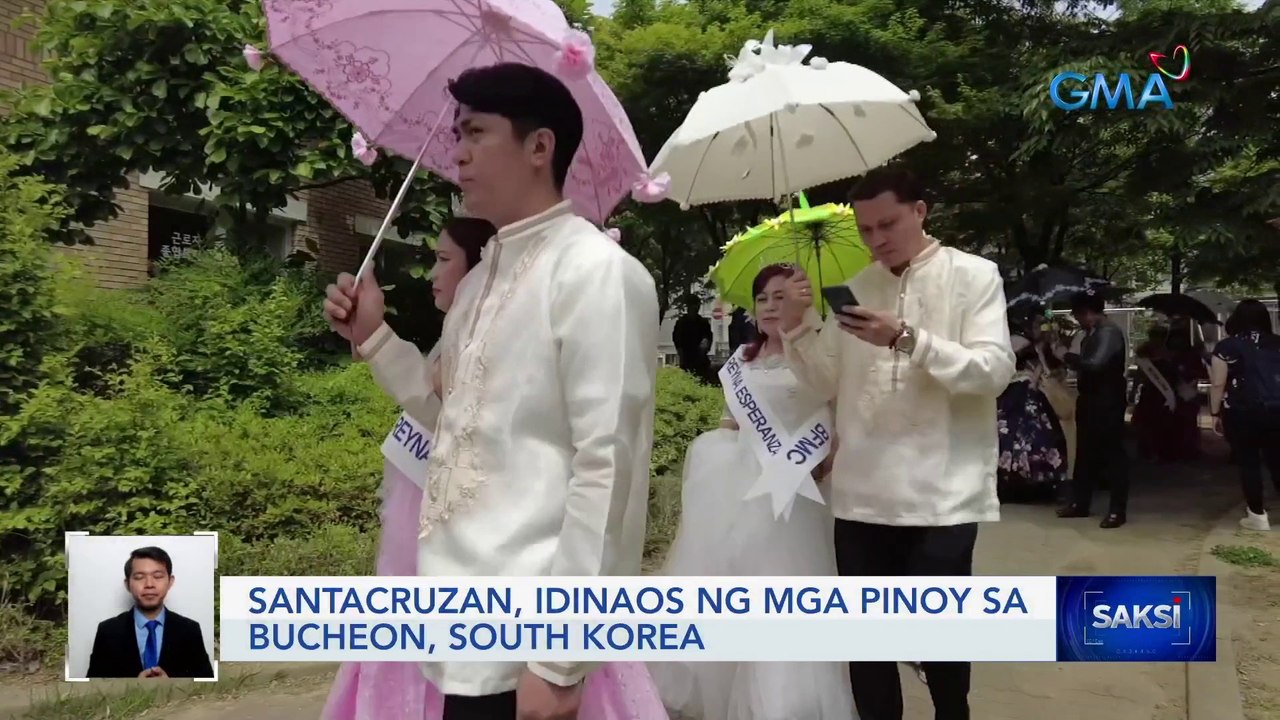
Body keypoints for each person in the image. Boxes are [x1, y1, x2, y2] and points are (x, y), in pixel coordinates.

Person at [324, 62, 660, 720]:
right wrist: (374, 335)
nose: (459, 152)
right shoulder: (480, 283)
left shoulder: (597, 273)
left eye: (476, 132)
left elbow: (609, 467)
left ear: (540, 147)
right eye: (456, 134)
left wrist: (563, 655)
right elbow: (454, 420)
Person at [778, 167, 1015, 720]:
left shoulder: (974, 276)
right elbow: (823, 383)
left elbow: (993, 372)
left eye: (887, 223)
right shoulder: (859, 287)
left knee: (941, 641)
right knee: (868, 647)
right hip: (862, 497)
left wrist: (908, 339)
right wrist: (795, 328)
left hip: (943, 494)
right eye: (865, 229)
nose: (877, 239)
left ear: (920, 211)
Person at [651, 264, 855, 720]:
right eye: (763, 298)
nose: (768, 307)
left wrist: (829, 454)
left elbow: (838, 416)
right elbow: (732, 422)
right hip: (739, 489)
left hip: (797, 490)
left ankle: (783, 702)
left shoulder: (821, 357)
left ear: (804, 302)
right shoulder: (742, 360)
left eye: (781, 297)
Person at [323, 216, 496, 720]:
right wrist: (367, 333)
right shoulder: (459, 328)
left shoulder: (489, 331)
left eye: (444, 260)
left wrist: (374, 335)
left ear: (481, 265)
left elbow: (441, 411)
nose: (431, 274)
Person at [1056, 289, 1130, 528]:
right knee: (1086, 453)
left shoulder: (1108, 332)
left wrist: (1067, 356)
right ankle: (1080, 502)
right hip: (1090, 398)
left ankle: (1117, 510)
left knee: (1112, 454)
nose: (1077, 320)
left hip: (1106, 400)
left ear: (1087, 313)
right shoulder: (1093, 332)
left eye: (1078, 315)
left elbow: (1094, 364)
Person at [86, 546, 214, 679]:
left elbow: (208, 685)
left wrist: (172, 685)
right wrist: (133, 687)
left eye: (158, 576)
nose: (149, 584)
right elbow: (93, 686)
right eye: (139, 577)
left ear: (170, 582)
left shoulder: (190, 629)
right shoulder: (108, 631)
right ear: (127, 584)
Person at [1209, 299, 1280, 532]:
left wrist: (1215, 412)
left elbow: (1218, 384)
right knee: (1277, 460)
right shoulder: (1276, 343)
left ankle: (1257, 515)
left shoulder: (1227, 347)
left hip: (1242, 410)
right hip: (1276, 408)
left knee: (1249, 462)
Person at [996, 322, 1070, 503]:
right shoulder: (1024, 343)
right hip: (1021, 393)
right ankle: (1027, 481)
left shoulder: (1024, 343)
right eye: (1038, 325)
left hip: (1021, 393)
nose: (1040, 329)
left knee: (1018, 436)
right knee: (1025, 435)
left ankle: (1014, 481)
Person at [1131, 325, 1182, 463]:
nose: (1157, 339)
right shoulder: (1144, 352)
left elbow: (1175, 375)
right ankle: (1148, 451)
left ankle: (1163, 452)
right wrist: (1134, 390)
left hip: (1166, 393)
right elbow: (1139, 375)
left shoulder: (1171, 353)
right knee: (1147, 423)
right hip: (1150, 392)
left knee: (1164, 424)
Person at [673, 293, 714, 381]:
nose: (695, 309)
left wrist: (705, 346)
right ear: (688, 307)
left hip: (700, 360)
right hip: (687, 358)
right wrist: (681, 355)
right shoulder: (682, 323)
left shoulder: (703, 323)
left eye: (697, 306)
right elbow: (677, 341)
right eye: (693, 306)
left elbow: (708, 338)